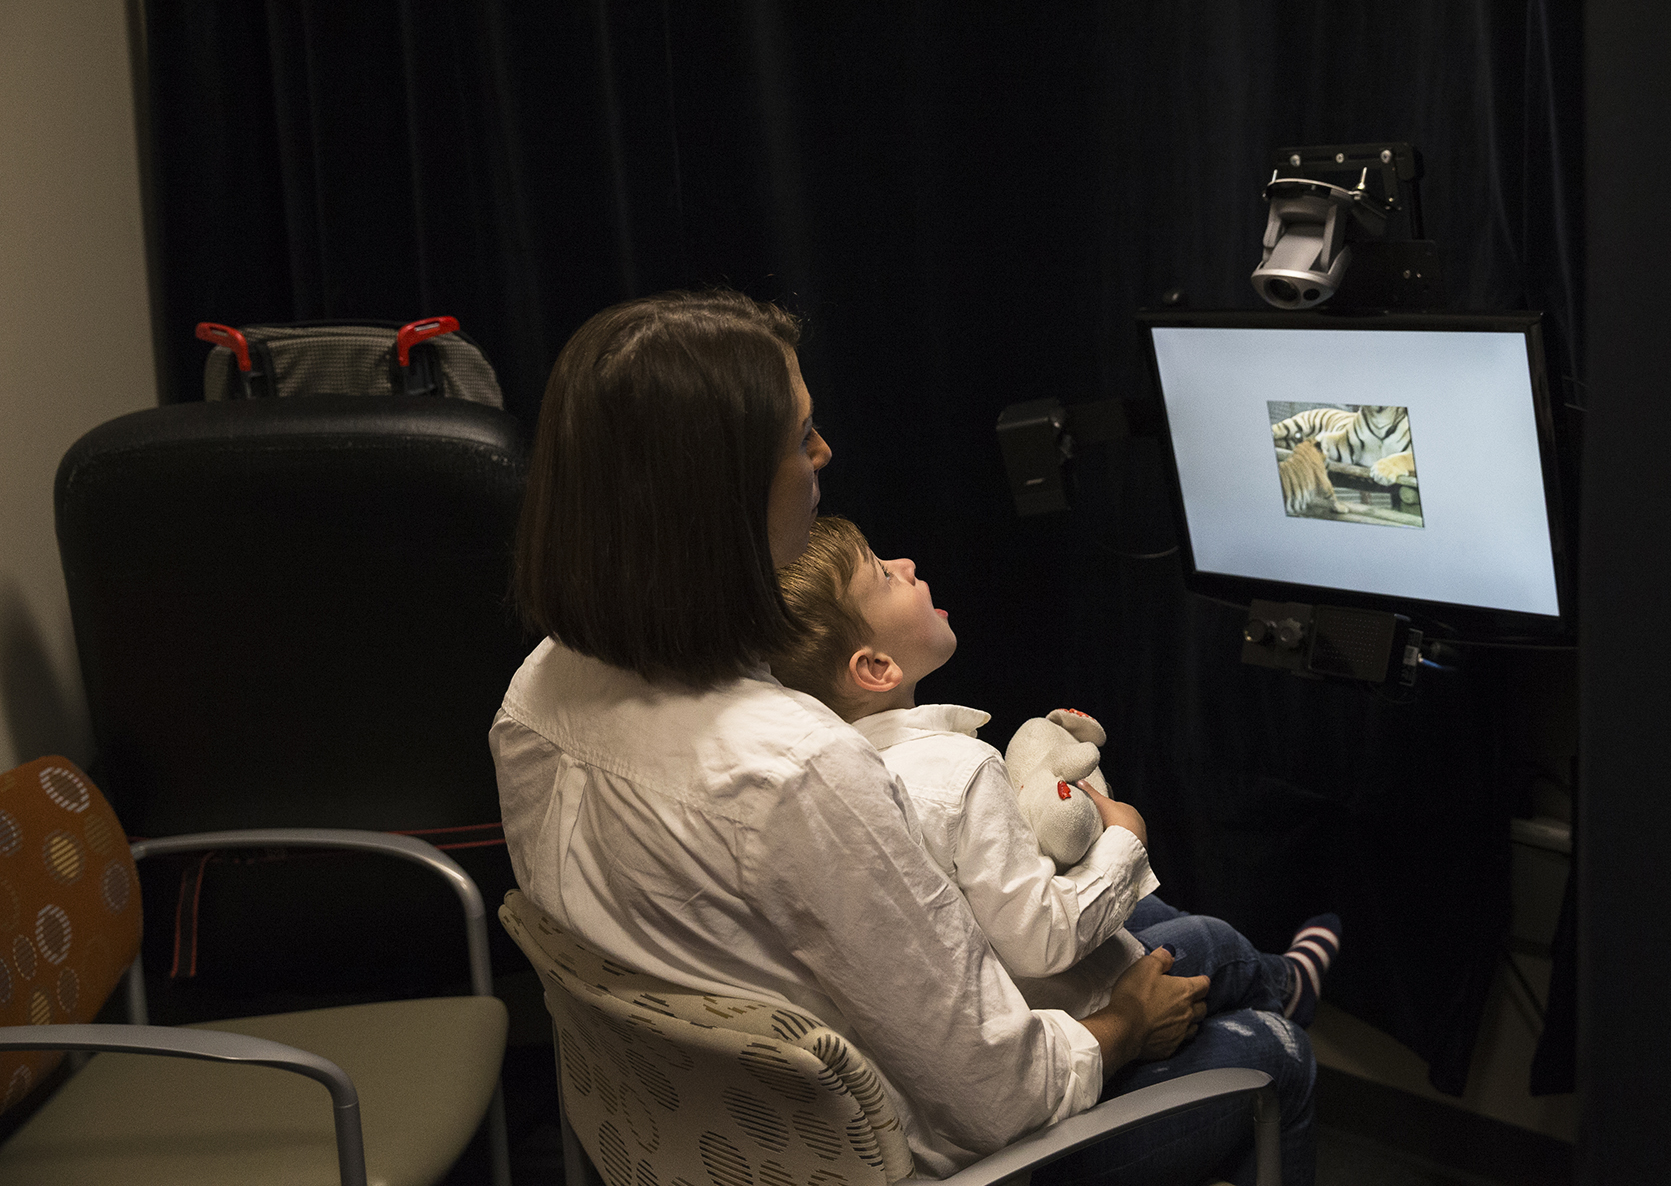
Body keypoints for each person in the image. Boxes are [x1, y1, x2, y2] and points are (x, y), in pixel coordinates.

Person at [490, 290, 1307, 1185]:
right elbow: (1002, 1095)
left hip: (686, 1147)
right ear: (720, 501)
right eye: (802, 438)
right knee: (1272, 1053)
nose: (824, 454)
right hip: (934, 1160)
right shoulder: (795, 770)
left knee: (1152, 926)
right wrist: (1121, 1029)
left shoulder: (534, 694)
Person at [766, 513, 1341, 1050]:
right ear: (875, 668)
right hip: (1064, 1012)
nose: (909, 566)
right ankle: (1288, 984)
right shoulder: (959, 772)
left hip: (990, 987)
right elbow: (1040, 939)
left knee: (1149, 909)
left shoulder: (843, 774)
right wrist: (1125, 839)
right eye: (886, 576)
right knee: (1215, 942)